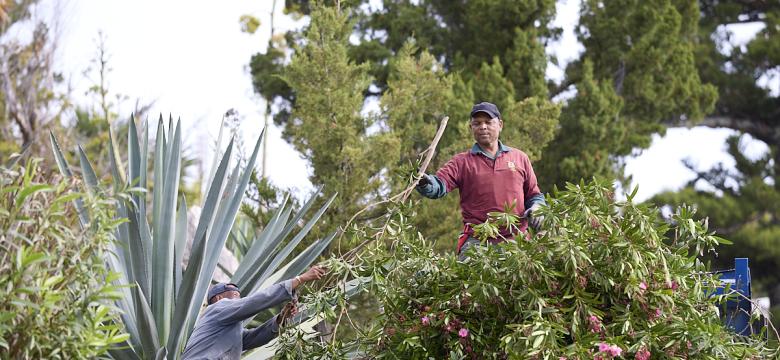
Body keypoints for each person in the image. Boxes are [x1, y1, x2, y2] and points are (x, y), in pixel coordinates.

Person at [416, 101, 546, 258]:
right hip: (477, 244)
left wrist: (537, 207)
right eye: (477, 123)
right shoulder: (462, 162)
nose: (483, 127)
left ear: (500, 124)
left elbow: (534, 194)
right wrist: (423, 181)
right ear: (471, 128)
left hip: (516, 242)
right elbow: (438, 186)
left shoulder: (519, 158)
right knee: (466, 281)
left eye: (488, 122)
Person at [181, 265, 327, 360]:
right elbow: (252, 303)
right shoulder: (217, 309)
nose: (238, 296)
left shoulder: (227, 330)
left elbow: (255, 337)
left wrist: (282, 318)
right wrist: (299, 279)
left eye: (240, 294)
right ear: (218, 298)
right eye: (233, 294)